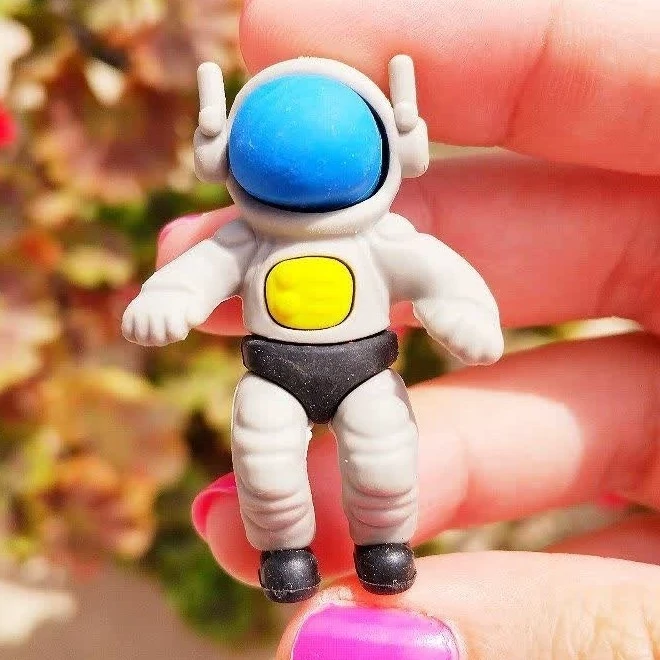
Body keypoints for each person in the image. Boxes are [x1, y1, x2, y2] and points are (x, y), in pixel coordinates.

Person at [157, 0, 660, 657]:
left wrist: (461, 310)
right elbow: (198, 272)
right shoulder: (245, 242)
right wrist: (172, 297)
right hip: (272, 375)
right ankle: (284, 552)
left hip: (366, 373)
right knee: (266, 469)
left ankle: (383, 546)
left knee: (385, 467)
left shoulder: (383, 239)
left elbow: (439, 274)